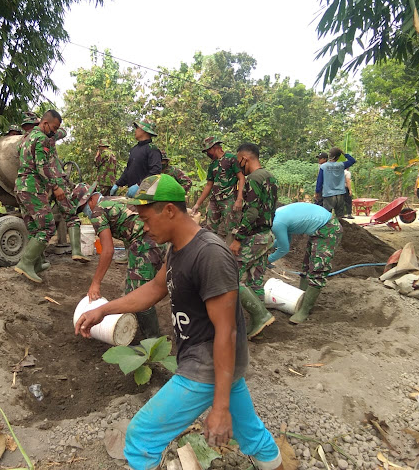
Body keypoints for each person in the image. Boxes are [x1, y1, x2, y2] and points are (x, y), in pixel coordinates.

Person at [75, 174, 283, 470]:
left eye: (147, 219)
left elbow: (227, 330)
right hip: (217, 363)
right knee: (252, 435)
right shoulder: (179, 249)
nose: (143, 228)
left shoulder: (209, 254)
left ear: (170, 210)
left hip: (207, 363)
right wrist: (104, 310)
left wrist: (220, 408)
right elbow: (155, 289)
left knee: (141, 436)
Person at [71, 182, 164, 338]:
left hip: (146, 241)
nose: (84, 212)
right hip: (157, 236)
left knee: (137, 291)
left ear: (90, 200)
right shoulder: (113, 199)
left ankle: (153, 342)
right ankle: (137, 327)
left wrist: (96, 283)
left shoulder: (97, 212)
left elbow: (107, 250)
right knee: (138, 286)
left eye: (82, 209)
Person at [13, 109, 88, 284]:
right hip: (33, 187)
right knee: (47, 227)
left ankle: (36, 264)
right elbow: (42, 166)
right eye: (53, 127)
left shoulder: (24, 139)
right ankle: (26, 263)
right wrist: (55, 186)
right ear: (45, 123)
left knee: (34, 228)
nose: (54, 131)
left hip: (20, 185)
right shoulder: (41, 138)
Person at [229, 143, 278, 338]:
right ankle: (259, 325)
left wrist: (238, 238)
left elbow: (252, 212)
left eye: (238, 160)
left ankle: (260, 315)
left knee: (230, 277)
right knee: (256, 281)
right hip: (266, 236)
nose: (238, 165)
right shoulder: (270, 176)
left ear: (245, 158)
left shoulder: (253, 179)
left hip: (253, 236)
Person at [268, 202, 343, 324]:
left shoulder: (277, 223)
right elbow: (285, 240)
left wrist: (267, 260)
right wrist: (267, 246)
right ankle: (300, 298)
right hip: (318, 229)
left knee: (318, 269)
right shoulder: (277, 216)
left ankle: (305, 310)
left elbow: (284, 249)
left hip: (328, 228)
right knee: (307, 266)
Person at [191, 137, 245, 238]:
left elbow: (241, 178)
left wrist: (239, 199)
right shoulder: (212, 165)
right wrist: (198, 204)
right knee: (210, 230)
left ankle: (231, 251)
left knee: (231, 229)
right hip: (214, 200)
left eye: (208, 151)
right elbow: (209, 185)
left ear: (215, 148)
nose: (207, 154)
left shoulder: (231, 159)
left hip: (229, 200)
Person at [111, 120, 162, 197]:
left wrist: (140, 186)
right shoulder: (134, 149)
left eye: (137, 128)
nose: (135, 131)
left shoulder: (152, 149)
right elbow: (129, 170)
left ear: (144, 131)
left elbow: (155, 172)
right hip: (132, 194)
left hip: (146, 195)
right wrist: (117, 184)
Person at [315, 147, 356, 217]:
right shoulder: (341, 165)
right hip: (340, 194)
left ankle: (329, 227)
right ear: (338, 157)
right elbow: (352, 160)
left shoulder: (323, 167)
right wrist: (344, 153)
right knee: (339, 217)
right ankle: (339, 227)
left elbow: (319, 181)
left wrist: (317, 192)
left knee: (327, 216)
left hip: (328, 195)